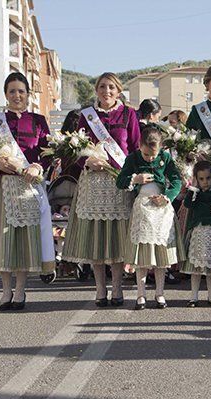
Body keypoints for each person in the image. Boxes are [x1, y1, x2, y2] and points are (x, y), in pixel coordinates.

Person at [62, 72, 141, 306]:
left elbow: (136, 148)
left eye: (112, 88)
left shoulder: (129, 114)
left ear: (118, 91)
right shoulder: (87, 116)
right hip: (93, 182)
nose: (107, 91)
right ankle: (99, 289)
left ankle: (116, 287)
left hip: (118, 183)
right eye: (102, 87)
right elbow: (76, 148)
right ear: (96, 89)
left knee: (116, 237)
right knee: (96, 238)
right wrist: (86, 161)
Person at [0, 72, 54, 310]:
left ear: (28, 94)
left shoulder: (39, 121)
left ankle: (20, 290)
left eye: (21, 91)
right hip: (2, 186)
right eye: (12, 91)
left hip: (28, 186)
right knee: (4, 239)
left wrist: (37, 167)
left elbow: (48, 154)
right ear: (6, 94)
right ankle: (5, 290)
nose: (17, 95)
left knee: (22, 240)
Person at [116, 125, 183, 309]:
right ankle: (141, 295)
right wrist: (135, 179)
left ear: (161, 147)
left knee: (161, 257)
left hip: (161, 210)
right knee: (143, 257)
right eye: (146, 154)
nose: (150, 158)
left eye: (154, 154)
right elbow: (120, 181)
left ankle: (160, 293)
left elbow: (177, 180)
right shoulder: (133, 158)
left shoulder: (166, 158)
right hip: (143, 210)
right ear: (139, 145)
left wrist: (167, 196)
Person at [181, 160, 211, 306]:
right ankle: (193, 296)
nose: (205, 182)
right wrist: (193, 187)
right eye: (201, 179)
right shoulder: (195, 195)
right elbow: (188, 204)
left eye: (208, 178)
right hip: (199, 233)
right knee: (196, 268)